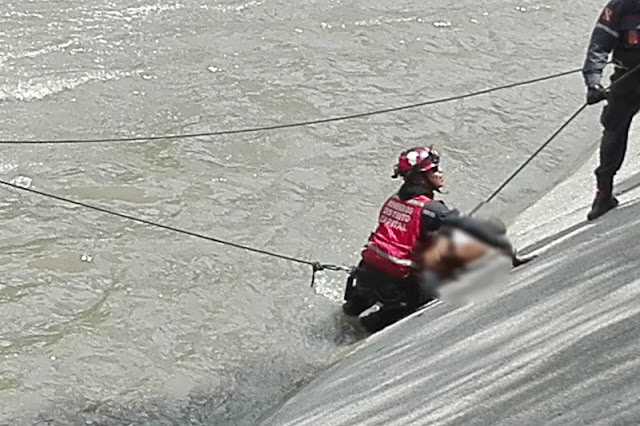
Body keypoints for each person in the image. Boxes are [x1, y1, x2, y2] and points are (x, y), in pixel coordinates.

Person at [342, 146, 529, 333]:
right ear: (418, 178)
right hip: (397, 284)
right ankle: (364, 329)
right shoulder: (431, 210)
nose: (440, 173)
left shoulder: (393, 201)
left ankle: (350, 319)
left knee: (349, 313)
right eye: (434, 170)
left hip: (366, 271)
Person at [582, 0, 640, 220]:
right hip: (627, 78)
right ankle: (603, 193)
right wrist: (593, 82)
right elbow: (599, 45)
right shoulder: (619, 7)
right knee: (613, 127)